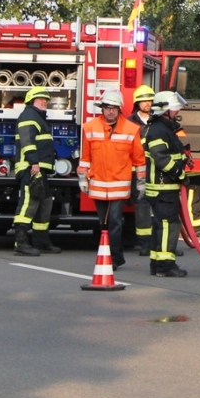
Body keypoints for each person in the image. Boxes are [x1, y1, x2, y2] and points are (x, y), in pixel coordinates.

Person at [78, 89, 146, 269]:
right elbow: (85, 157)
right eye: (107, 107)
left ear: (119, 110)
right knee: (104, 223)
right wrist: (82, 178)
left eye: (114, 108)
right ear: (102, 108)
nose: (110, 111)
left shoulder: (131, 129)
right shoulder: (90, 127)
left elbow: (139, 159)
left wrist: (141, 183)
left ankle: (114, 258)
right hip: (98, 184)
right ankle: (110, 255)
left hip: (119, 185)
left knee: (115, 221)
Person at [143, 91, 191, 277]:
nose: (177, 111)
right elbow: (161, 158)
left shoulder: (163, 128)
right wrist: (179, 174)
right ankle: (165, 266)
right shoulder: (158, 130)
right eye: (174, 107)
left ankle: (156, 264)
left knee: (161, 226)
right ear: (165, 110)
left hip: (163, 187)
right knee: (168, 226)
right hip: (163, 188)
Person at [12, 86, 59, 256]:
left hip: (39, 168)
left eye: (46, 99)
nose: (44, 101)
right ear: (31, 101)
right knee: (28, 204)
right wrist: (34, 162)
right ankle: (21, 243)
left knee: (44, 203)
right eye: (40, 99)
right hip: (30, 168)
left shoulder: (37, 117)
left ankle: (41, 241)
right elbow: (27, 141)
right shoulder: (29, 116)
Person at [128, 84, 158, 258]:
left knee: (161, 206)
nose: (148, 103)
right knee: (142, 206)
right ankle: (145, 244)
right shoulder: (129, 123)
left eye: (150, 100)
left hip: (157, 170)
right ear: (137, 103)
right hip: (137, 172)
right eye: (144, 100)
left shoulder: (159, 120)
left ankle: (162, 243)